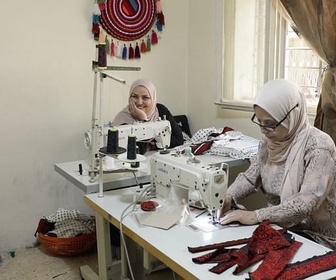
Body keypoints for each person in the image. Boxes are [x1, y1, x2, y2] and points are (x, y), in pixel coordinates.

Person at [218, 79, 336, 249]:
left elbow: (306, 203)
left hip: (317, 238)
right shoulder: (269, 142)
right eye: (259, 121)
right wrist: (229, 195)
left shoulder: (320, 147)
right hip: (281, 227)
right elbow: (251, 178)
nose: (263, 130)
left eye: (271, 124)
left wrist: (255, 215)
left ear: (292, 115)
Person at [112, 78, 184, 151]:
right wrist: (143, 119)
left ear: (153, 98)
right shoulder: (122, 119)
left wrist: (154, 143)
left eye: (145, 97)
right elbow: (138, 151)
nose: (139, 102)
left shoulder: (161, 110)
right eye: (134, 96)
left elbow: (179, 139)